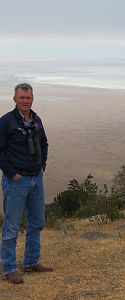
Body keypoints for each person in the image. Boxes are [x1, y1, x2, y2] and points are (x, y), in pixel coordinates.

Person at [0, 83, 53, 284]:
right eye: (21, 98)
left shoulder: (36, 119)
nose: (25, 101)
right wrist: (12, 173)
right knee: (12, 226)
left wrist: (43, 165)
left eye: (28, 98)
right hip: (17, 181)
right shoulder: (6, 122)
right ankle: (9, 268)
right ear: (15, 99)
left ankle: (31, 262)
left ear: (32, 98)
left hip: (36, 178)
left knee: (37, 222)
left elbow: (44, 143)